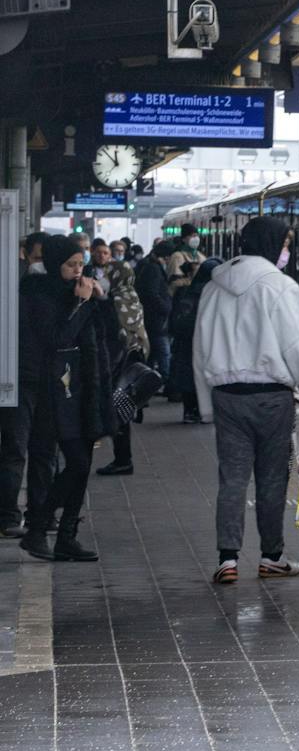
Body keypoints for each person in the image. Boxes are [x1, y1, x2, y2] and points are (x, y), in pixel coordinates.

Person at [193, 217, 299, 585]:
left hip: (226, 397)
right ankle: (272, 557)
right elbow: (298, 349)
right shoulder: (280, 287)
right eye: (285, 244)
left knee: (232, 479)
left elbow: (199, 350)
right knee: (272, 479)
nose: (286, 252)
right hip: (272, 399)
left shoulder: (213, 287)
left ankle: (227, 560)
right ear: (273, 244)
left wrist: (205, 406)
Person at [18, 236, 115, 561]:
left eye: (80, 264)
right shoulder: (39, 293)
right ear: (55, 263)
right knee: (76, 462)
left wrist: (99, 301)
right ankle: (38, 528)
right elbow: (58, 338)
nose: (77, 271)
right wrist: (82, 303)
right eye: (70, 265)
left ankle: (66, 536)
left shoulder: (77, 293)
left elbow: (105, 336)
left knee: (82, 464)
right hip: (59, 390)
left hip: (85, 388)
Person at [0, 231, 53, 536]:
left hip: (43, 381)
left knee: (41, 451)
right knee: (16, 449)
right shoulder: (16, 288)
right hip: (20, 378)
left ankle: (39, 514)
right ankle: (8, 516)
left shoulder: (57, 290)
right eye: (37, 258)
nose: (40, 265)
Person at [96, 243, 151, 476]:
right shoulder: (132, 295)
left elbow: (115, 334)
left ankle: (123, 459)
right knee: (123, 409)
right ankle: (122, 458)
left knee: (117, 410)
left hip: (119, 361)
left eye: (108, 275)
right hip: (133, 358)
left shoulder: (115, 300)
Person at [169, 257, 217, 423]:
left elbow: (176, 318)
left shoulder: (187, 291)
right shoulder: (216, 293)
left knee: (188, 375)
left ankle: (190, 410)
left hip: (186, 341)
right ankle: (204, 409)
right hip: (208, 342)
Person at [136, 239, 176, 381]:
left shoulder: (152, 266)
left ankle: (152, 382)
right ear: (166, 256)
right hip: (156, 319)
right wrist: (166, 308)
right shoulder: (153, 269)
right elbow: (151, 294)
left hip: (154, 318)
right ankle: (163, 380)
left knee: (154, 353)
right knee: (163, 352)